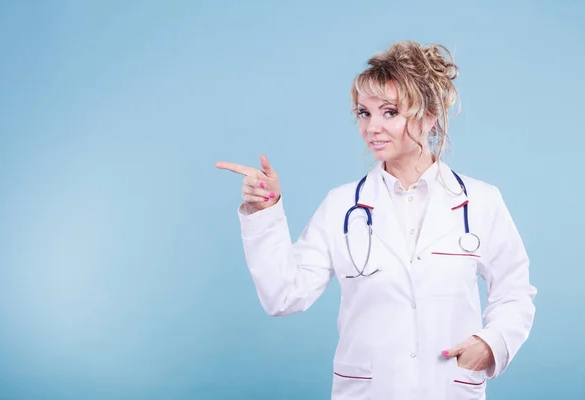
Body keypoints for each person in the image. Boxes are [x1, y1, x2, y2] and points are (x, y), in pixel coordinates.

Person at [215, 40, 536, 400]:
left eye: (389, 112)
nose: (372, 127)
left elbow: (515, 292)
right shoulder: (341, 206)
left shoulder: (480, 201)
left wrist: (491, 344)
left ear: (428, 116)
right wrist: (265, 212)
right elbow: (284, 296)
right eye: (364, 113)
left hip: (448, 388)